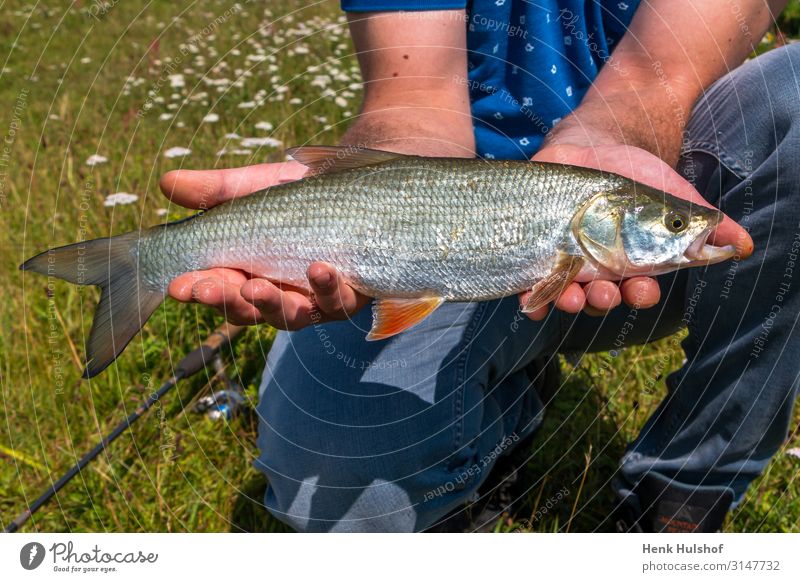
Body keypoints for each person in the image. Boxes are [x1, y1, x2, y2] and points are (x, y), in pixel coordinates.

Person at [159, 0, 798, 532]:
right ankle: (503, 409)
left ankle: (681, 497)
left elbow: (654, 78)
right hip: (440, 215)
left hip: (681, 160)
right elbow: (414, 101)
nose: (684, 235)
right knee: (341, 500)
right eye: (675, 228)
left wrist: (618, 138)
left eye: (675, 229)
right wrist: (388, 161)